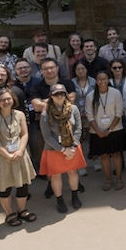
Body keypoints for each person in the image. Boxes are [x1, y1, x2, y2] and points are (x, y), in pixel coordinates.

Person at [0, 89, 38, 226]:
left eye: (8, 99)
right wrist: (7, 155)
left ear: (13, 99)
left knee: (23, 184)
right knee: (5, 186)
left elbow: (24, 134)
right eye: (2, 100)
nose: (6, 102)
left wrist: (20, 150)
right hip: (1, 157)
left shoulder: (19, 114)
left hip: (19, 154)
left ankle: (22, 210)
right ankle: (9, 213)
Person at [39, 84, 86, 213]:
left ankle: (74, 195)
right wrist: (62, 150)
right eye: (56, 94)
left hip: (72, 147)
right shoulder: (45, 114)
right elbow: (47, 136)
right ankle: (59, 200)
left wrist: (73, 146)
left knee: (72, 172)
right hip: (54, 149)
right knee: (56, 176)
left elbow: (78, 128)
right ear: (51, 96)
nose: (59, 96)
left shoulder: (74, 109)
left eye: (62, 93)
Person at [86, 70, 126, 190]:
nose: (102, 81)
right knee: (103, 156)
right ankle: (108, 180)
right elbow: (89, 115)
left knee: (116, 154)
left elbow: (119, 112)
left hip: (115, 129)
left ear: (108, 80)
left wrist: (109, 129)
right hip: (97, 131)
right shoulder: (91, 96)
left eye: (104, 79)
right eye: (100, 79)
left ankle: (119, 179)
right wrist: (98, 131)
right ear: (96, 81)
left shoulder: (115, 93)